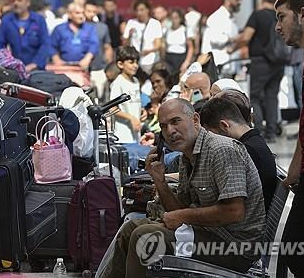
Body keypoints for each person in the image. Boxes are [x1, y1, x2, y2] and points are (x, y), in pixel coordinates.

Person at [98, 98, 265, 277]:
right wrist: (159, 181)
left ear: (195, 120)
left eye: (175, 121)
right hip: (208, 233)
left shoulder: (222, 150)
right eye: (163, 126)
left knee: (143, 236)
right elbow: (177, 211)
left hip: (234, 247)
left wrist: (182, 215)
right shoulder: (188, 156)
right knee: (129, 228)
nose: (170, 131)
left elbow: (234, 211)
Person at [275, 0, 304, 277]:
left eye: (282, 17)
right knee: (294, 247)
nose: (278, 27)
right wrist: (295, 167)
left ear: (303, 14)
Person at [200, 97, 277, 211]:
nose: (210, 141)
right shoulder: (255, 142)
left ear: (224, 126)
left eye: (211, 135)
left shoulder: (242, 151)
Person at [231, 0, 284, 142]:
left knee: (254, 96)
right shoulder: (278, 16)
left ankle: (258, 130)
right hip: (278, 61)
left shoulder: (258, 15)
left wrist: (232, 48)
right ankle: (272, 132)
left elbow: (246, 37)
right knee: (272, 96)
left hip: (261, 61)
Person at [0, 0, 50, 71]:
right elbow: (0, 44)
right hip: (14, 69)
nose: (16, 3)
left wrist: (35, 64)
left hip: (36, 70)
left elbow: (45, 44)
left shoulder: (39, 20)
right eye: (14, 0)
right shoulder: (7, 20)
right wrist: (3, 62)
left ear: (28, 2)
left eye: (19, 0)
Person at [50, 3, 99, 68]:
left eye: (82, 13)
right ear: (69, 14)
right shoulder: (59, 29)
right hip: (63, 66)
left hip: (84, 66)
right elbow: (51, 45)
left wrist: (87, 59)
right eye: (77, 13)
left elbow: (94, 45)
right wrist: (56, 59)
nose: (81, 16)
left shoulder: (90, 29)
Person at [201, 0, 241, 68]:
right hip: (219, 65)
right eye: (237, 0)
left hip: (230, 65)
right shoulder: (217, 17)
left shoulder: (232, 18)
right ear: (227, 0)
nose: (239, 3)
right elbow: (215, 38)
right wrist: (233, 39)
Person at [122, 0, 162, 76]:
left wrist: (147, 51)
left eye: (142, 10)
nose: (139, 13)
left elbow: (158, 45)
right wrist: (129, 36)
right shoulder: (131, 22)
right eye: (137, 10)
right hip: (135, 61)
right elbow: (125, 43)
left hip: (150, 61)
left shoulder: (155, 23)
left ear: (148, 10)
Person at [110, 46, 141, 144]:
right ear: (120, 64)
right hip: (123, 136)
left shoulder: (136, 81)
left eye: (136, 62)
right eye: (131, 62)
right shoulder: (118, 83)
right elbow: (112, 108)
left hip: (136, 135)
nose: (135, 65)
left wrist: (142, 111)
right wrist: (131, 118)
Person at [84, 0, 114, 100]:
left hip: (99, 67)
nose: (91, 14)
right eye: (88, 11)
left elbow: (107, 46)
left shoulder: (102, 27)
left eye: (94, 11)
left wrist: (108, 65)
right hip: (81, 69)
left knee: (100, 98)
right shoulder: (77, 27)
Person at [162, 8, 194, 75]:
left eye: (176, 18)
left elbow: (191, 47)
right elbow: (164, 46)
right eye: (172, 18)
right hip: (169, 57)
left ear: (180, 18)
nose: (174, 20)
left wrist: (187, 62)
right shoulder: (166, 30)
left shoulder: (185, 30)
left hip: (181, 57)